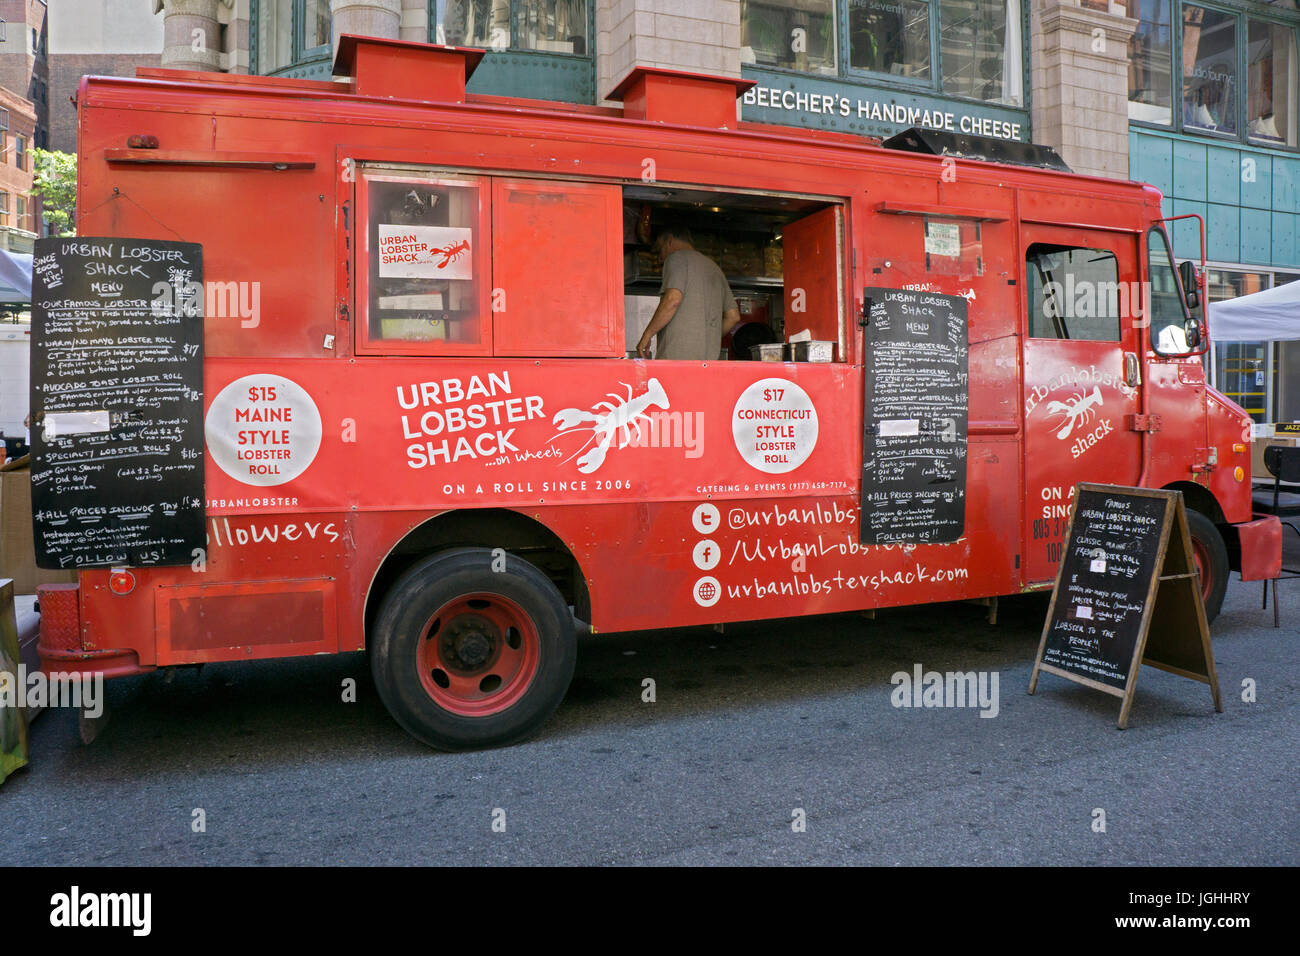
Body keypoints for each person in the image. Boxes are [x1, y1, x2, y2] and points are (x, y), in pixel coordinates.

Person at [636, 225, 741, 360]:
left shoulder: (676, 258)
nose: (660, 258)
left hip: (677, 361)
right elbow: (733, 317)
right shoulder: (714, 267)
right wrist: (705, 336)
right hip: (708, 363)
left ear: (669, 241)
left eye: (660, 249)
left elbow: (672, 300)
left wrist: (647, 335)